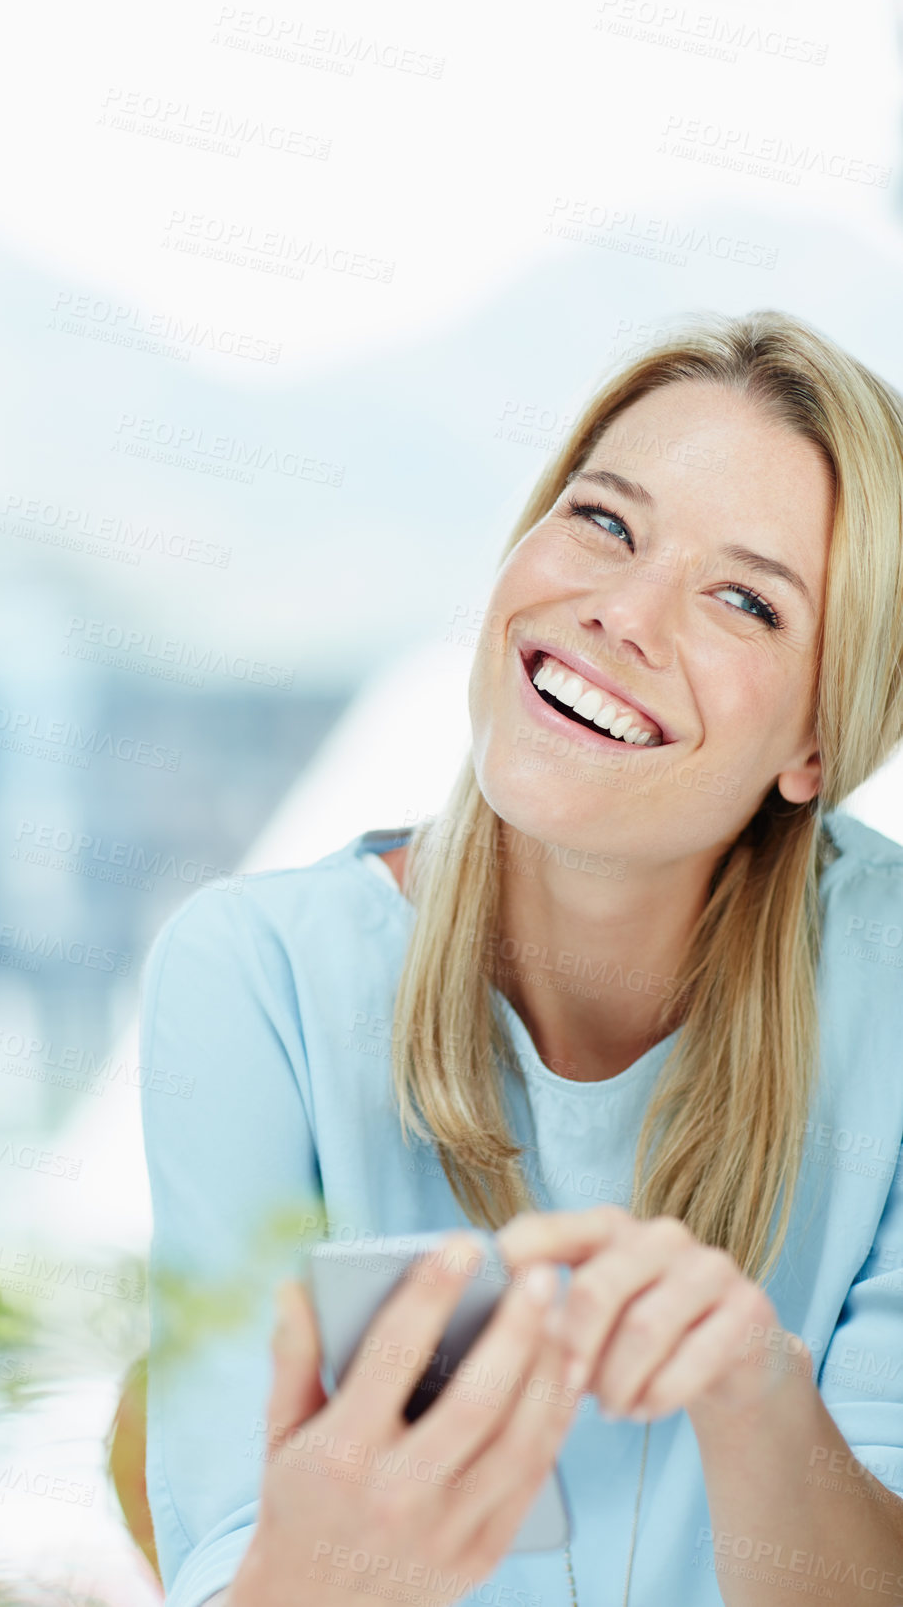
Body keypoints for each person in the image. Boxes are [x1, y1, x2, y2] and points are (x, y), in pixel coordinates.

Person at [134, 310, 903, 1607]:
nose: (620, 613)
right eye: (603, 522)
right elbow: (228, 1562)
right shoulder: (253, 979)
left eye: (742, 599)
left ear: (815, 748)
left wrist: (752, 1390)